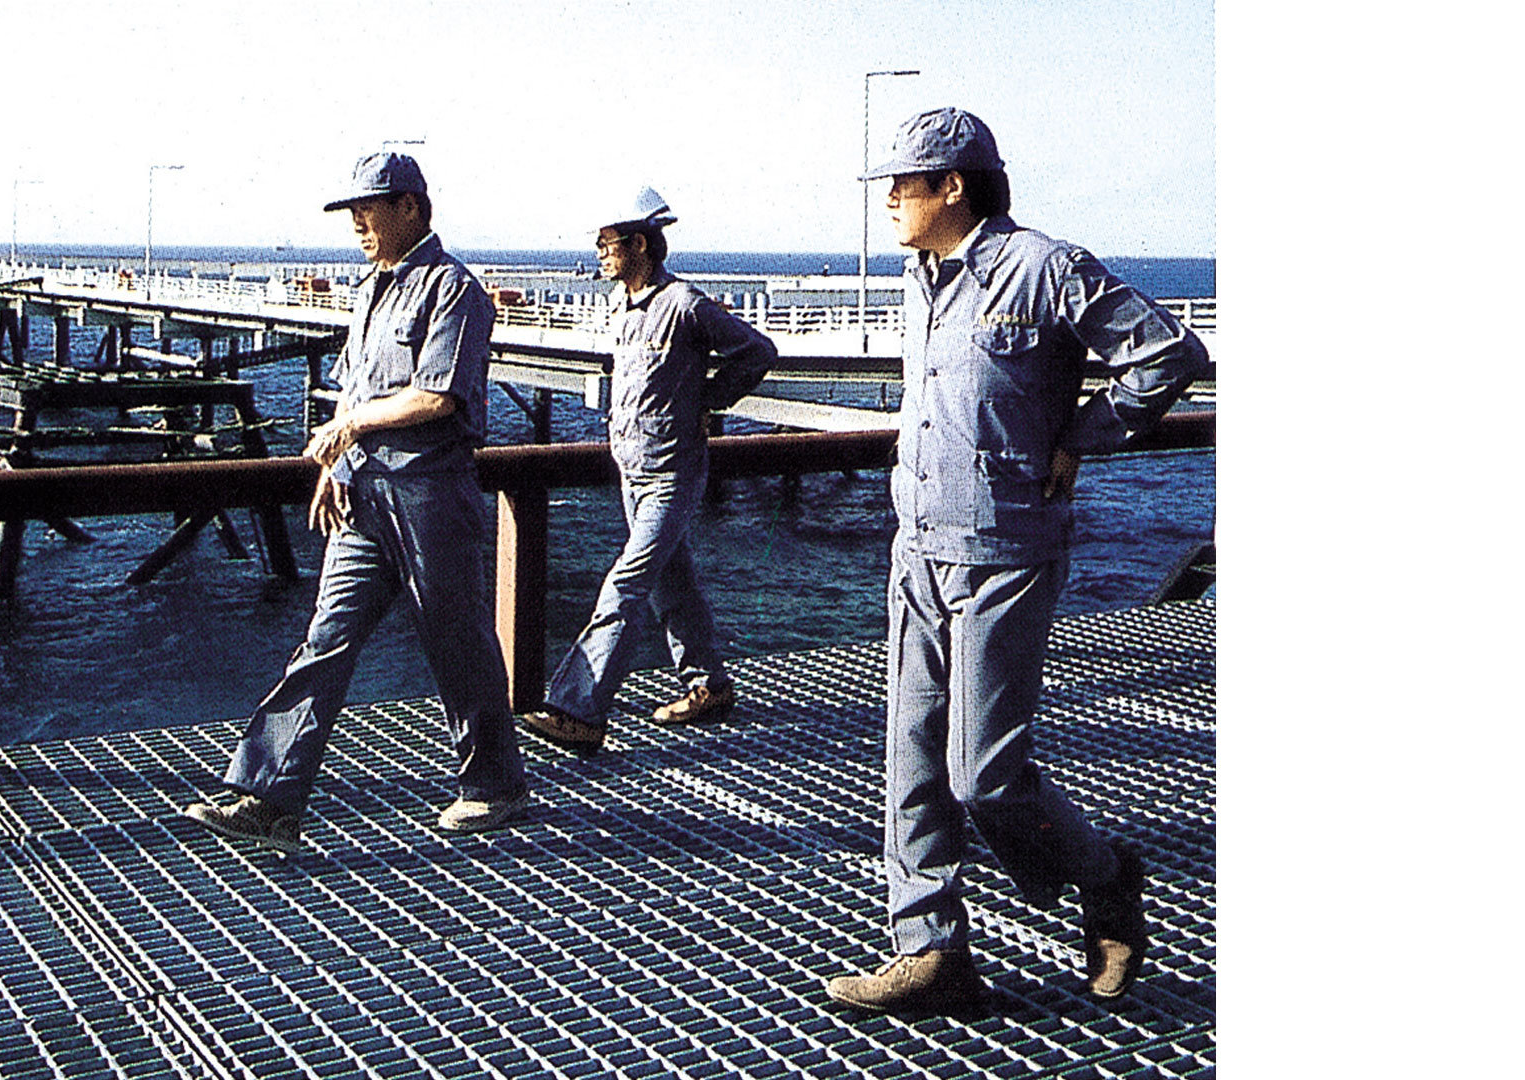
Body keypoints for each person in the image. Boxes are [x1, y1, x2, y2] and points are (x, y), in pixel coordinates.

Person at [823, 108, 1210, 1012]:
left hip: (1005, 548)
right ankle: (932, 951)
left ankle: (1106, 874)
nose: (889, 199)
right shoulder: (923, 276)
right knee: (911, 759)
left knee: (983, 772)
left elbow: (1164, 354)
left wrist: (1081, 435)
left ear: (952, 185)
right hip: (916, 546)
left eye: (902, 183)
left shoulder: (1043, 268)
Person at [182, 151, 529, 851]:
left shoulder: (453, 290)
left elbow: (437, 395)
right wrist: (338, 465)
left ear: (411, 208)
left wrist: (347, 430)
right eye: (351, 211)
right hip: (366, 493)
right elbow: (358, 387)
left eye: (369, 208)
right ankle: (266, 796)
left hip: (431, 492)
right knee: (326, 637)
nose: (357, 223)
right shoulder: (370, 289)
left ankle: (495, 784)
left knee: (456, 641)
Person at [520, 187, 776, 754]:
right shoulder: (621, 307)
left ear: (639, 243)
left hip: (672, 473)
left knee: (625, 583)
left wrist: (710, 401)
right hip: (632, 472)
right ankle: (709, 686)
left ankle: (578, 709)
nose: (598, 253)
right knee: (671, 583)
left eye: (606, 243)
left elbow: (757, 352)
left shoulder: (684, 303)